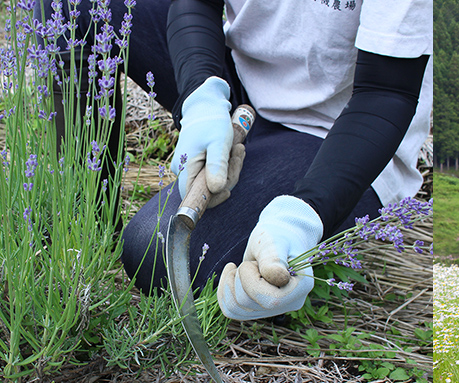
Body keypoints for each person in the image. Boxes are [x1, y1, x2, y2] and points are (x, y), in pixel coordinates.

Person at [37, 0, 432, 320]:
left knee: (156, 250)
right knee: (68, 11)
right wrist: (203, 94)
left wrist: (302, 217)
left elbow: (386, 93)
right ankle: (81, 232)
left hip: (334, 131)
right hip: (238, 81)